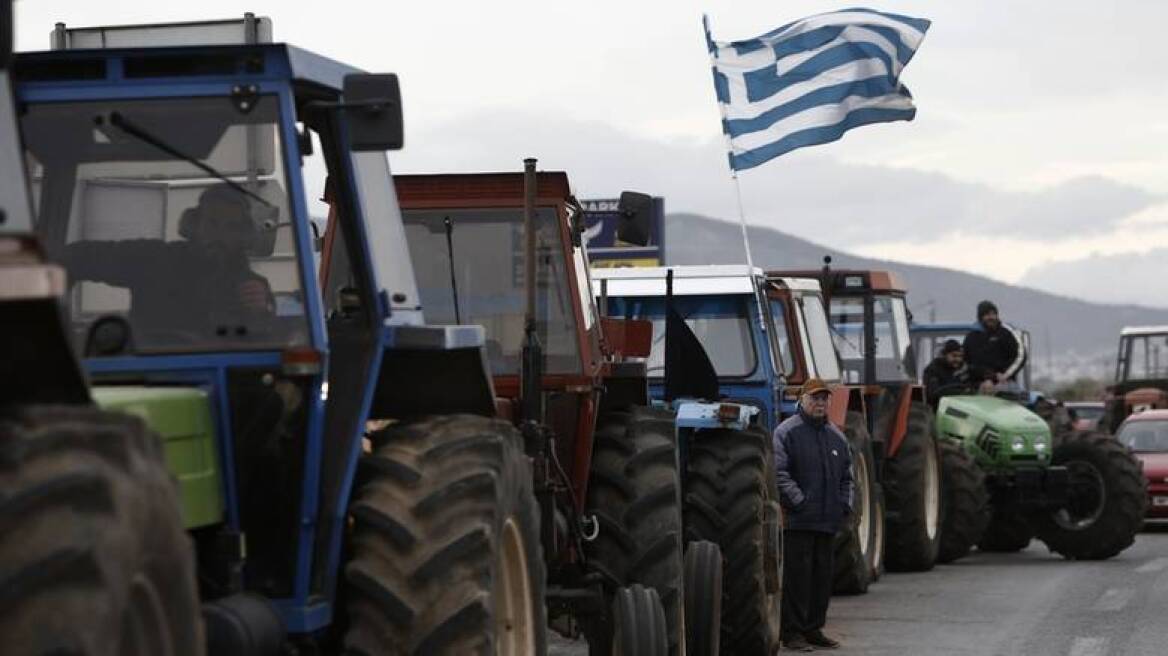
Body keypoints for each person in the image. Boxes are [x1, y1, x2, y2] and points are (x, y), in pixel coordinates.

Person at [61, 184, 274, 342]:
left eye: (231, 227)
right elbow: (76, 258)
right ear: (194, 224)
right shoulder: (153, 260)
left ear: (243, 235)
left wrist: (259, 312)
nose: (220, 234)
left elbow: (263, 344)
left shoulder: (252, 287)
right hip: (146, 376)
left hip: (218, 377)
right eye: (212, 223)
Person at [773, 378, 853, 651]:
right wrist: (799, 501)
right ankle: (792, 633)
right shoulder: (786, 432)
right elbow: (780, 474)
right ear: (802, 400)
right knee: (798, 579)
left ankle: (814, 628)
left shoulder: (837, 437)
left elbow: (847, 478)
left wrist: (844, 505)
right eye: (814, 399)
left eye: (823, 399)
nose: (820, 404)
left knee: (821, 579)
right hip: (800, 521)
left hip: (827, 522)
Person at [963, 300, 1025, 389]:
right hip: (979, 383)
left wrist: (1005, 375)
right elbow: (967, 361)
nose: (991, 317)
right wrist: (984, 377)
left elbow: (1020, 355)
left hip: (1004, 381)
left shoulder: (1006, 332)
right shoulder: (971, 337)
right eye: (987, 315)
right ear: (981, 317)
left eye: (993, 314)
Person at [923, 339, 976, 407]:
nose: (958, 359)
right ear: (945, 355)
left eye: (960, 356)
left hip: (965, 406)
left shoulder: (964, 368)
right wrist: (960, 392)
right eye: (954, 356)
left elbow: (973, 381)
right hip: (939, 408)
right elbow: (934, 394)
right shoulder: (933, 370)